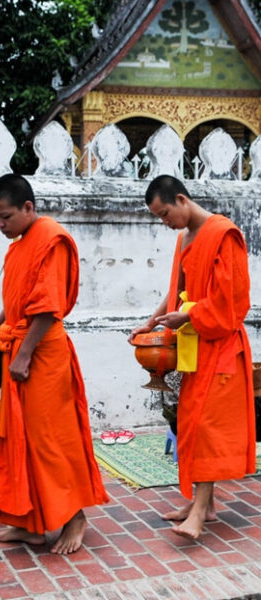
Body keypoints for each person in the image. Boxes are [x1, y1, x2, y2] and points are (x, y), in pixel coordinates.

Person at [0, 174, 108, 554]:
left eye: (5, 217)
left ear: (28, 207)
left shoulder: (50, 239)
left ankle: (75, 518)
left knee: (51, 439)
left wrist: (22, 356)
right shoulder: (22, 245)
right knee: (21, 440)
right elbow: (21, 295)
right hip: (20, 348)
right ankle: (32, 525)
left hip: (42, 355)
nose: (0, 225)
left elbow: (48, 307)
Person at [129, 174, 256, 540]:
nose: (165, 223)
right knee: (189, 422)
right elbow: (178, 293)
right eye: (159, 217)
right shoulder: (185, 239)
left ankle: (200, 513)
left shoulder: (223, 234)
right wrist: (150, 324)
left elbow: (231, 301)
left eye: (165, 213)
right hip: (194, 347)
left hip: (222, 345)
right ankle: (204, 504)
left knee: (206, 427)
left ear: (182, 200)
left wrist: (188, 316)